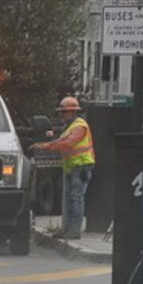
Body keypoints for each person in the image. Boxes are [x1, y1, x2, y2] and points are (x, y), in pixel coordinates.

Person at [33, 96, 95, 239]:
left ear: (72, 112)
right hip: (72, 167)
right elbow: (61, 141)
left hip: (81, 168)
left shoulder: (80, 126)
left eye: (63, 112)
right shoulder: (69, 127)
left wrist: (45, 146)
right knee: (69, 200)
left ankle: (74, 231)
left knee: (76, 199)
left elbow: (66, 144)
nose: (61, 115)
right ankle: (67, 229)